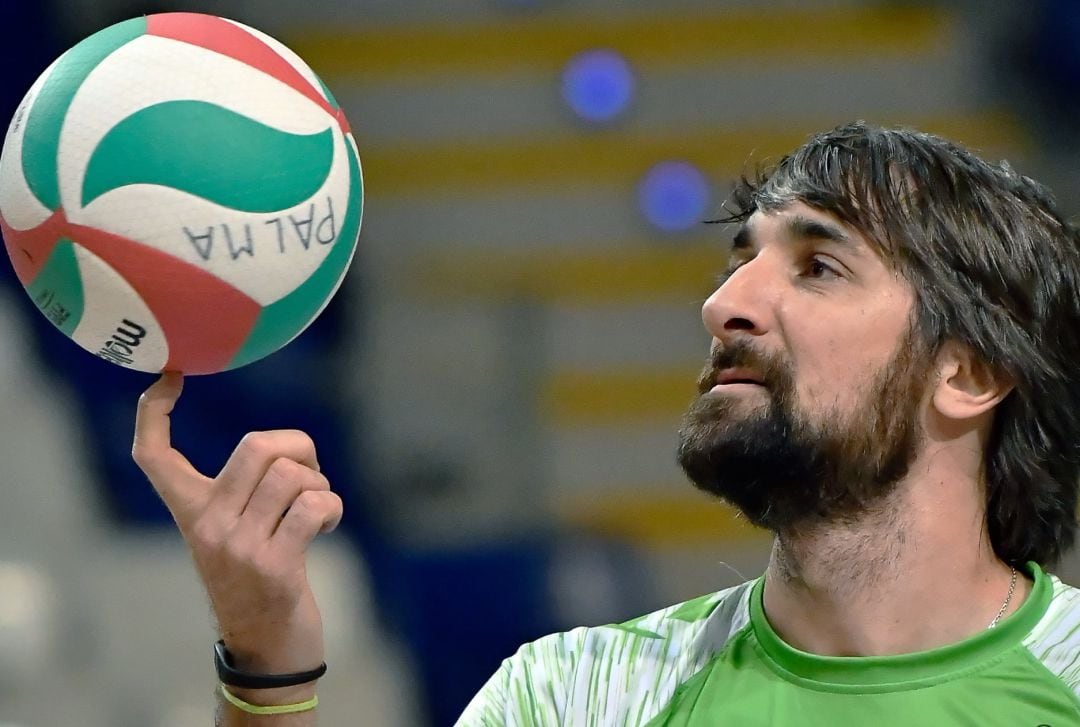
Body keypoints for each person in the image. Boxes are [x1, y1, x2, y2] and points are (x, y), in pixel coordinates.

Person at [132, 122, 1080, 725]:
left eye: (818, 267)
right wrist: (266, 669)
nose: (725, 303)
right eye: (738, 260)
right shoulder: (579, 696)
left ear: (969, 373)